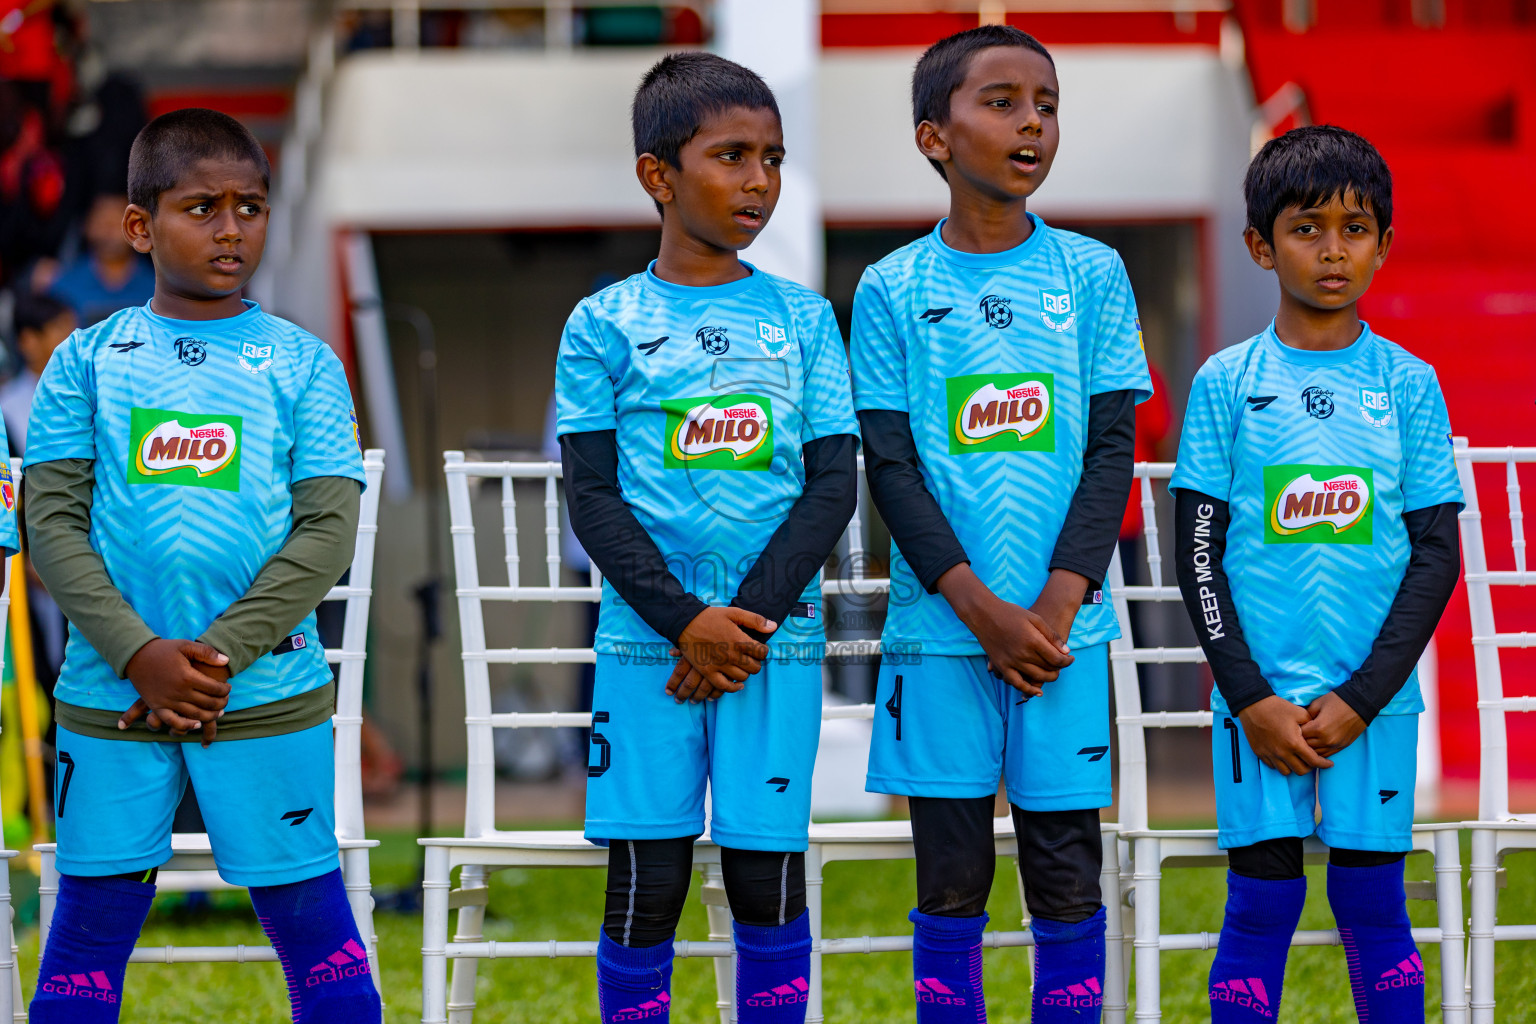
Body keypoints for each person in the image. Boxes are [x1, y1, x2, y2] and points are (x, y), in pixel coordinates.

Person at [22, 107, 381, 1023]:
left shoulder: (304, 364)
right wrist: (140, 654)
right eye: (203, 208)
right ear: (140, 227)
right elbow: (52, 524)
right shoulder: (85, 364)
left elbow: (325, 532)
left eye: (250, 207)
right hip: (113, 693)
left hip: (261, 691)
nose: (232, 229)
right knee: (89, 935)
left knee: (314, 932)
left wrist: (215, 655)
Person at [850, 25, 1150, 1023]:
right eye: (1003, 101)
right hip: (943, 637)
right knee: (950, 876)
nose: (1032, 121)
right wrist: (980, 608)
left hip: (1062, 635)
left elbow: (1113, 448)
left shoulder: (1093, 274)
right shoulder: (892, 287)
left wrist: (1057, 602)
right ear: (935, 136)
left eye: (1047, 104)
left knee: (1067, 868)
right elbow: (888, 464)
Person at [556, 52, 858, 1024]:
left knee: (769, 875)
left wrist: (743, 622)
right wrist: (688, 622)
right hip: (648, 649)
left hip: (773, 646)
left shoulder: (804, 320)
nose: (757, 181)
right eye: (731, 156)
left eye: (771, 158)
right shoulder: (602, 323)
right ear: (659, 174)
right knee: (648, 882)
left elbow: (833, 486)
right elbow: (594, 498)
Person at [1170, 125, 1462, 1023]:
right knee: (1260, 903)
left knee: (1374, 907)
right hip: (1255, 705)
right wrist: (1250, 696)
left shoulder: (1409, 384)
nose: (1333, 249)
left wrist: (1364, 696)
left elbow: (1435, 557)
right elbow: (1196, 553)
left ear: (1383, 244)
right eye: (1306, 228)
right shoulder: (1227, 381)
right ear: (1260, 244)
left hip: (1370, 703)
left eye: (1355, 228)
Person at [46, 191, 155, 327]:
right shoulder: (63, 287)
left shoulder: (158, 287)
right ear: (86, 227)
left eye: (116, 222)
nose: (108, 231)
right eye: (101, 222)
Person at [2, 289, 73, 453]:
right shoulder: (7, 406)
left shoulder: (95, 391)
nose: (74, 337)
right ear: (29, 341)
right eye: (59, 328)